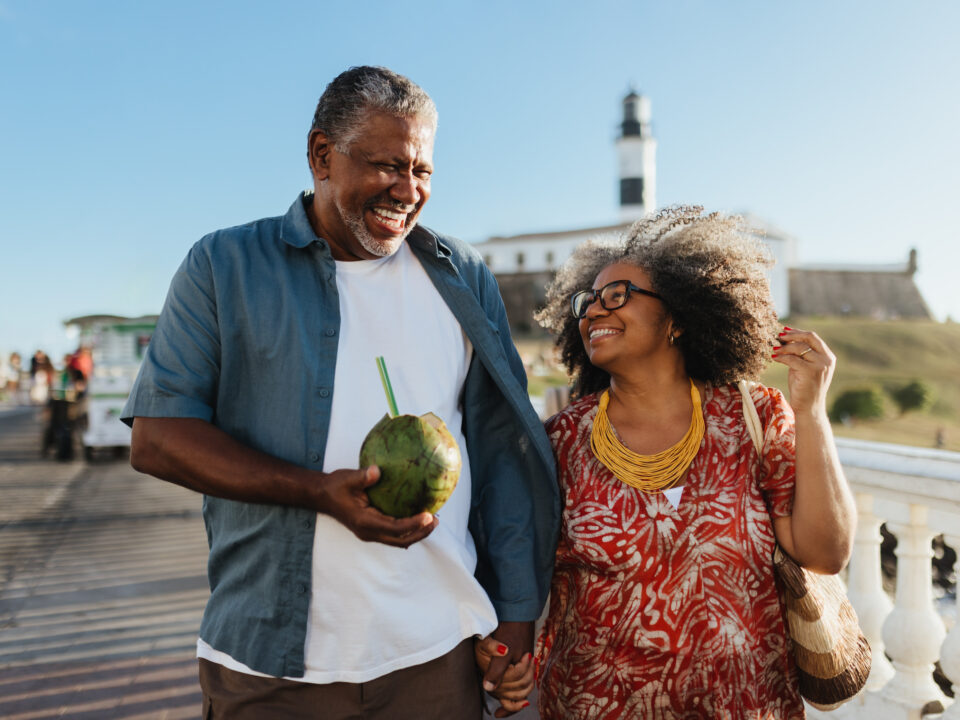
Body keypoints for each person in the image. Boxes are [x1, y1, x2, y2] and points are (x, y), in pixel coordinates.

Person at [122, 66, 559, 719]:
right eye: (387, 165)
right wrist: (317, 493)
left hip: (436, 653)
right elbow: (157, 438)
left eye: (424, 171)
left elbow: (499, 453)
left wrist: (517, 612)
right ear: (321, 155)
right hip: (270, 667)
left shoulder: (462, 276)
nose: (407, 191)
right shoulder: (224, 267)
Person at [532, 206, 857, 719]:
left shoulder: (753, 417)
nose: (593, 311)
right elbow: (521, 565)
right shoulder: (562, 440)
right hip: (595, 705)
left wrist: (811, 409)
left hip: (746, 704)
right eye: (587, 302)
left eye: (617, 295)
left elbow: (824, 552)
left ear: (677, 319)